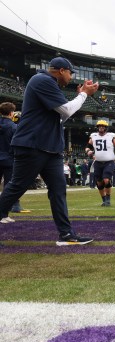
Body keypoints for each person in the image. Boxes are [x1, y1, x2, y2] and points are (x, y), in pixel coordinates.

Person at [0, 57, 98, 245]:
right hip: (33, 144)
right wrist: (84, 94)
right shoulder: (42, 80)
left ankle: (66, 235)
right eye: (70, 73)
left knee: (58, 190)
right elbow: (66, 110)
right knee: (17, 187)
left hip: (49, 147)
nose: (71, 77)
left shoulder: (48, 83)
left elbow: (60, 118)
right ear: (62, 70)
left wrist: (80, 96)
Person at [0, 102, 30, 217]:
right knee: (10, 185)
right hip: (9, 158)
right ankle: (13, 206)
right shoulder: (14, 127)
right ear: (12, 113)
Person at [85, 120, 115, 206]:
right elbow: (87, 147)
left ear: (106, 127)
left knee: (106, 180)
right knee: (99, 182)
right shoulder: (93, 136)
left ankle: (108, 199)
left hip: (109, 161)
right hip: (98, 162)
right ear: (97, 127)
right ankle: (104, 199)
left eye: (103, 126)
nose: (101, 127)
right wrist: (88, 152)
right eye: (99, 126)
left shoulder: (111, 136)